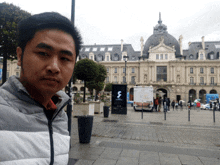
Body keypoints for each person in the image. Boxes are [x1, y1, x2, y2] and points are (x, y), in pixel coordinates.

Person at [0, 12, 82, 164]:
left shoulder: (59, 118)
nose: (54, 67)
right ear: (19, 56)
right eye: (43, 53)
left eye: (65, 58)